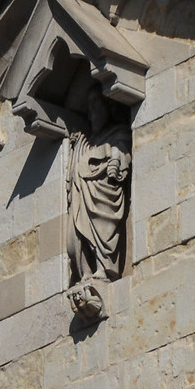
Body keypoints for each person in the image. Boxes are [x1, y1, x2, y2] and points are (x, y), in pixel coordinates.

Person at [67, 88, 130, 289]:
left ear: (108, 110)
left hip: (104, 197)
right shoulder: (86, 143)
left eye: (97, 108)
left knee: (104, 229)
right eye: (90, 110)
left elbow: (122, 154)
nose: (93, 114)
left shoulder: (118, 134)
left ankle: (104, 268)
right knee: (79, 229)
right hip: (85, 195)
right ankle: (86, 271)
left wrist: (115, 163)